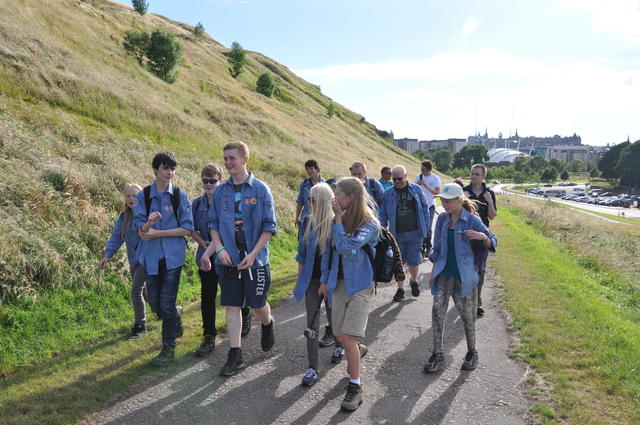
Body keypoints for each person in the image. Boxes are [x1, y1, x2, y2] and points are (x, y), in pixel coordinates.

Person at [200, 141, 277, 377]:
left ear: (245, 159)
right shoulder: (221, 191)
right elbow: (213, 224)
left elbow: (269, 226)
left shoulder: (261, 189)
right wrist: (220, 249)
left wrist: (254, 255)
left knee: (256, 305)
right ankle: (235, 355)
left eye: (232, 158)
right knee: (232, 305)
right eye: (225, 158)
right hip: (229, 261)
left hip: (255, 260)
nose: (228, 162)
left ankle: (267, 323)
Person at [320, 177, 379, 412]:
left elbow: (345, 247)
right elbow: (329, 252)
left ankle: (355, 387)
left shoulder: (369, 224)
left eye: (339, 195)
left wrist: (338, 220)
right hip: (338, 284)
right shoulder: (338, 221)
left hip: (361, 285)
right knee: (341, 336)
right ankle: (356, 350)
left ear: (351, 197)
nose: (334, 199)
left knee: (349, 337)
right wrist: (324, 280)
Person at [424, 183, 497, 373]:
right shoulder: (442, 219)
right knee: (437, 312)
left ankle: (472, 352)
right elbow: (437, 249)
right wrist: (433, 273)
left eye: (448, 201)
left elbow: (493, 241)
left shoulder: (472, 220)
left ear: (459, 200)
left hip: (464, 278)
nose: (445, 204)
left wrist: (483, 237)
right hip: (444, 275)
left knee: (467, 316)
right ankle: (438, 354)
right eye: (443, 201)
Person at [134, 152, 194, 366]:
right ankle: (176, 312)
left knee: (166, 303)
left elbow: (188, 228)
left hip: (173, 258)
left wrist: (158, 232)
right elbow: (140, 230)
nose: (170, 172)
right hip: (151, 258)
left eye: (172, 168)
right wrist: (149, 223)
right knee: (156, 305)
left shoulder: (179, 195)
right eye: (165, 168)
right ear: (155, 170)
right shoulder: (144, 195)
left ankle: (168, 349)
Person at [190, 164, 251, 357]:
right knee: (207, 296)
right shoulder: (197, 204)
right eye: (205, 181)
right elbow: (191, 229)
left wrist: (213, 247)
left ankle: (245, 313)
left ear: (220, 180)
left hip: (227, 256)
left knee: (232, 293)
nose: (209, 184)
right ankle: (209, 336)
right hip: (205, 257)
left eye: (212, 180)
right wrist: (202, 242)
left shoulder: (228, 201)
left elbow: (229, 230)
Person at [295, 183, 343, 386]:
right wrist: (300, 281)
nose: (309, 204)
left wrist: (327, 283)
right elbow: (302, 254)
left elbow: (339, 258)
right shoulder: (307, 222)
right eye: (308, 200)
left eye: (313, 200)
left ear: (323, 201)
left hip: (333, 282)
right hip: (312, 281)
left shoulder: (337, 223)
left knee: (335, 321)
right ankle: (312, 367)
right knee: (311, 325)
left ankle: (339, 346)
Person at [99, 183, 148, 339]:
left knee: (136, 291)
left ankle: (140, 326)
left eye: (135, 195)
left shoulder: (147, 215)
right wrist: (107, 255)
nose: (131, 198)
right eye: (128, 195)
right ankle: (169, 311)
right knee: (147, 292)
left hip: (146, 259)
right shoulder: (123, 217)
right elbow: (116, 237)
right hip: (133, 260)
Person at [379, 165, 430, 302]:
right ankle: (400, 289)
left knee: (414, 261)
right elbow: (382, 213)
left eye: (399, 179)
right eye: (394, 179)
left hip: (415, 232)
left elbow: (425, 209)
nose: (396, 181)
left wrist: (426, 228)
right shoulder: (388, 193)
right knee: (398, 263)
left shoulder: (416, 189)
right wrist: (382, 231)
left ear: (406, 176)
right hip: (396, 234)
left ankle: (413, 280)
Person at [462, 164, 497, 316]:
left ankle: (477, 302)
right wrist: (464, 201)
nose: (473, 176)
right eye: (472, 174)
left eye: (477, 174)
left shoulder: (489, 193)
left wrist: (489, 201)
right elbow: (457, 214)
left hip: (482, 237)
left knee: (480, 270)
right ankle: (465, 298)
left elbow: (492, 215)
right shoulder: (464, 191)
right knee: (465, 269)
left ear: (483, 176)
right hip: (465, 235)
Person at [413, 160, 441, 256]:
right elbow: (412, 189)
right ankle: (421, 247)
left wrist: (425, 185)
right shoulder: (418, 177)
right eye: (421, 169)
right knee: (421, 226)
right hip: (419, 205)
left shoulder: (435, 178)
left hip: (430, 206)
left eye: (423, 169)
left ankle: (428, 246)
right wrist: (418, 184)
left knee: (428, 228)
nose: (421, 171)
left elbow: (437, 192)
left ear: (428, 169)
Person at [295, 159, 325, 230]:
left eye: (311, 169)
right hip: (304, 219)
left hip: (319, 221)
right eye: (307, 169)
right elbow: (300, 201)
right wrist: (297, 217)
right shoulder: (304, 184)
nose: (309, 171)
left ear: (317, 169)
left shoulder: (325, 184)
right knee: (302, 240)